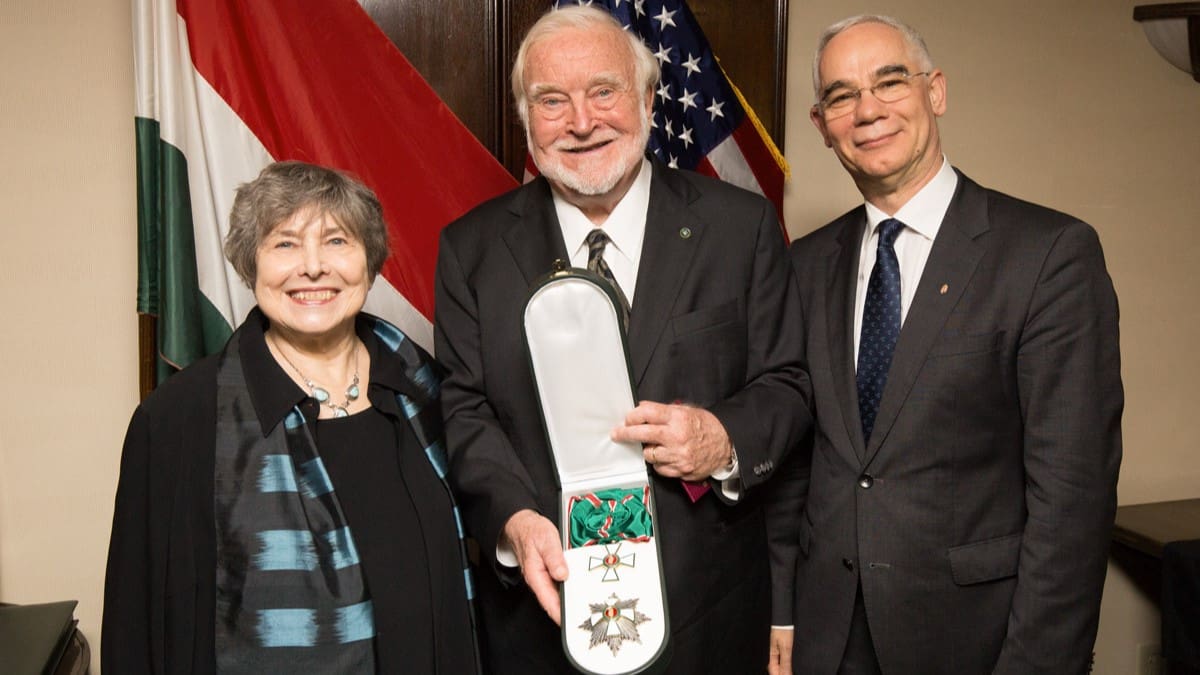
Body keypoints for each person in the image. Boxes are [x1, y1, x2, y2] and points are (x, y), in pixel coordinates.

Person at [434, 5, 810, 674]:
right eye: (553, 101)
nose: (581, 121)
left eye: (603, 91)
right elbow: (466, 410)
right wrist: (513, 517)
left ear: (644, 96)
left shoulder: (739, 226)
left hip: (708, 613)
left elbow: (787, 382)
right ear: (527, 118)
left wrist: (723, 438)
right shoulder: (471, 248)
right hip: (545, 615)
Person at [780, 14, 1123, 675]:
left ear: (936, 91)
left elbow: (1071, 499)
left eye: (890, 81)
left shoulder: (1048, 255)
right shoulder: (805, 265)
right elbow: (802, 464)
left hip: (976, 642)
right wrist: (783, 612)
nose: (868, 109)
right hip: (827, 638)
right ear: (821, 125)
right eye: (842, 95)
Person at [103, 161, 478, 674]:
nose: (313, 267)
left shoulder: (426, 389)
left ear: (370, 262)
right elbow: (136, 627)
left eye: (337, 241)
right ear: (249, 263)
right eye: (284, 244)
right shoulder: (179, 421)